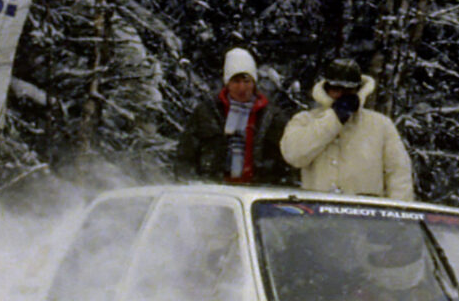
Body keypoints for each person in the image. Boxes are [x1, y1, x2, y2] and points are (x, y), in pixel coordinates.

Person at [278, 57, 413, 199]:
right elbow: (294, 155)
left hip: (365, 215)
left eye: (349, 89)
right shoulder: (305, 120)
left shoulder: (381, 125)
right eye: (336, 89)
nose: (342, 95)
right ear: (326, 89)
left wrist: (396, 215)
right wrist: (334, 119)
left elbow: (399, 177)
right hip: (318, 214)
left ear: (358, 90)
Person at [173, 48, 294, 185]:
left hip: (258, 191)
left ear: (254, 83)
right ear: (227, 83)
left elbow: (287, 160)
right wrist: (190, 181)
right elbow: (185, 155)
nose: (242, 87)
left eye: (247, 81)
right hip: (213, 190)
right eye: (236, 81)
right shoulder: (206, 112)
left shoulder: (272, 117)